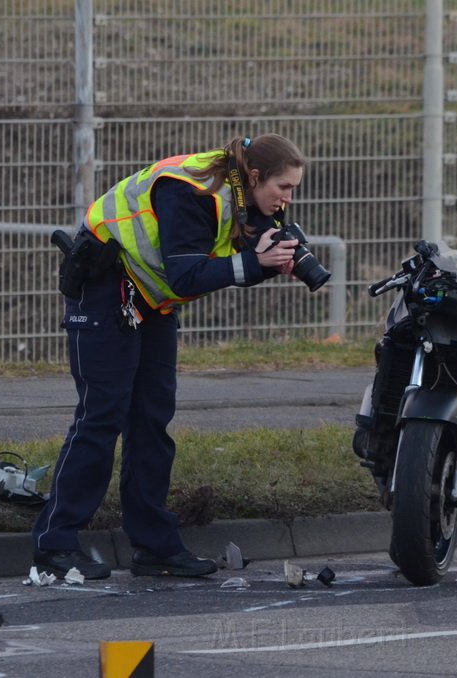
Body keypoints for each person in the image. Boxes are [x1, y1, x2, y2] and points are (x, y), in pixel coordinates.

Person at [33, 134, 305, 579]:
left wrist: (273, 261)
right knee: (101, 417)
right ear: (255, 176)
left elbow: (227, 258)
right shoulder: (193, 190)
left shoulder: (238, 195)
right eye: (285, 188)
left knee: (151, 420)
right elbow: (185, 275)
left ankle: (155, 546)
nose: (288, 198)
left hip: (150, 301)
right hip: (106, 289)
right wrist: (257, 264)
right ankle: (54, 544)